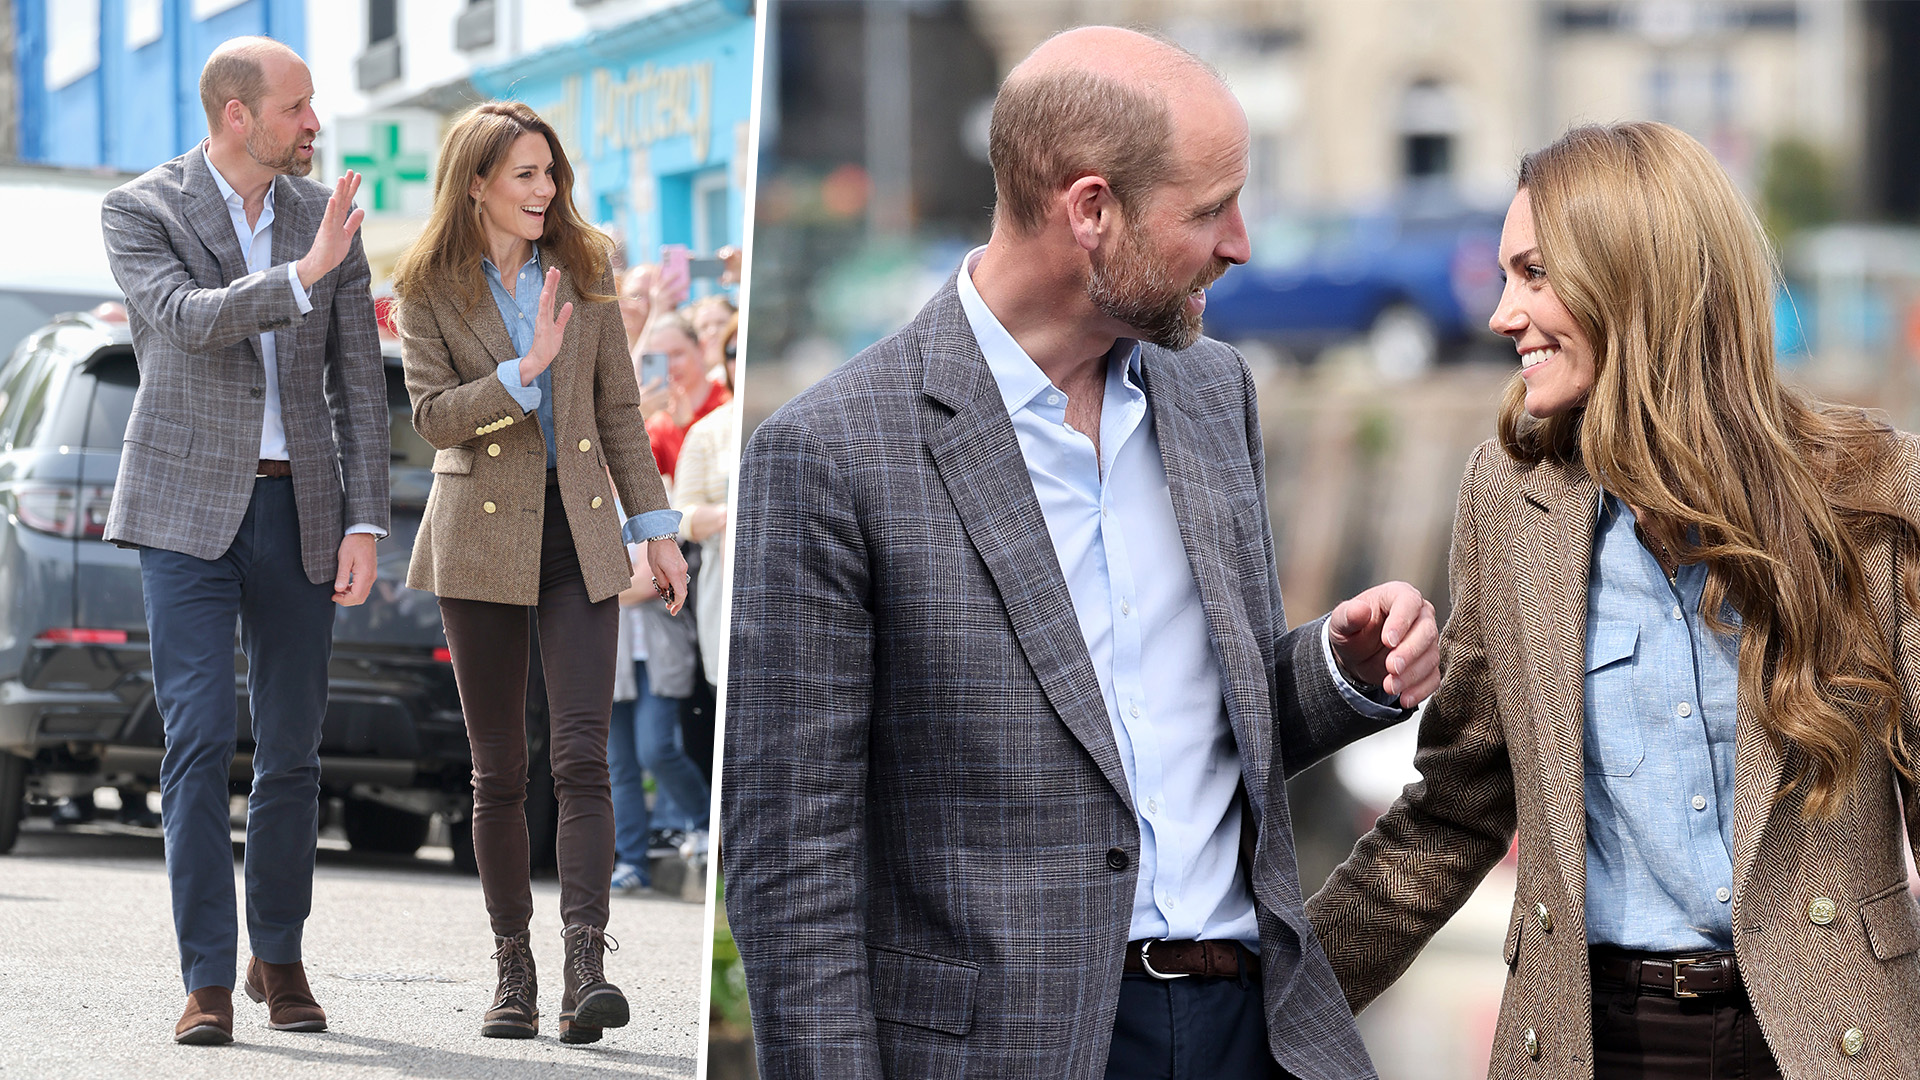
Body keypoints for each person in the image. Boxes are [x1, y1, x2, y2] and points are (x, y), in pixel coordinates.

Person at [723, 26, 1440, 1080]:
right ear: (1091, 210)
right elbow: (792, 865)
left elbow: (1179, 729)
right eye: (1207, 211)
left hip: (1251, 1033)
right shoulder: (830, 454)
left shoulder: (1213, 392)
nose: (1241, 242)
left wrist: (1337, 672)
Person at [1306, 120, 1920, 1080]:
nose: (1503, 313)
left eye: (1534, 274)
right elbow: (1456, 811)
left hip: (1837, 1040)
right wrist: (1272, 1005)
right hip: (1597, 1045)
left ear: (1633, 280)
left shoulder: (1870, 496)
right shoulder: (1508, 505)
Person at [100, 36, 388, 1046]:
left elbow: (358, 380)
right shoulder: (144, 209)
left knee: (295, 750)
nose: (313, 124)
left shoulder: (325, 215)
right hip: (182, 511)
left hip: (301, 511)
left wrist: (364, 517)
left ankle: (280, 955)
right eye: (297, 107)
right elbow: (183, 320)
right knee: (196, 743)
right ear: (237, 113)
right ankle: (208, 978)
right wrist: (305, 274)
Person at [390, 99, 689, 1046]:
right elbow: (435, 416)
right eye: (524, 174)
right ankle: (513, 970)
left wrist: (660, 530)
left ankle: (585, 967)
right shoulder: (427, 286)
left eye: (550, 173)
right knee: (499, 772)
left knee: (582, 757)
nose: (544, 190)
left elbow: (619, 416)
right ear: (476, 182)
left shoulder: (586, 272)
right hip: (477, 535)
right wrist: (525, 372)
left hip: (580, 535)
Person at [641, 311, 729, 483]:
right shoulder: (658, 425)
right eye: (662, 358)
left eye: (677, 353)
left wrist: (687, 426)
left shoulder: (728, 400)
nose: (671, 366)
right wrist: (635, 416)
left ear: (701, 348)